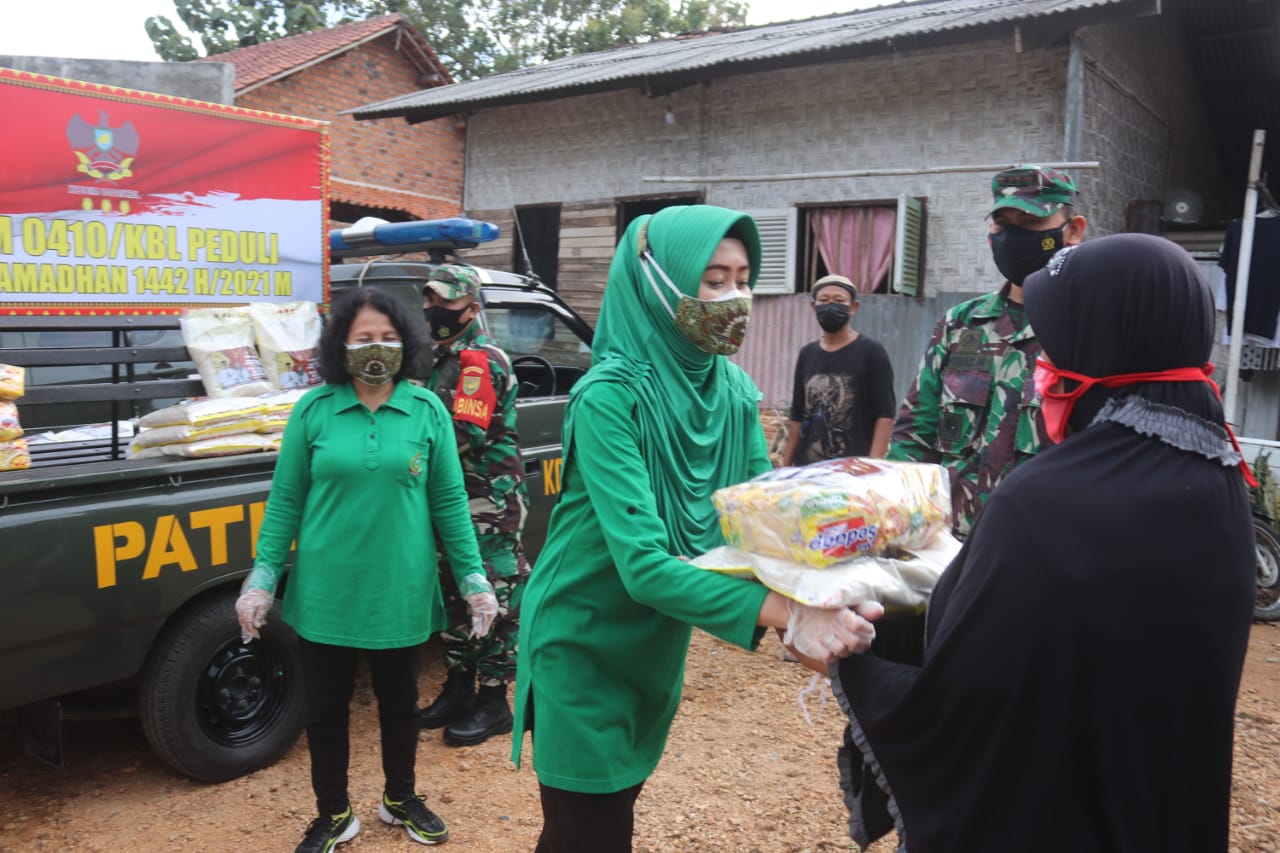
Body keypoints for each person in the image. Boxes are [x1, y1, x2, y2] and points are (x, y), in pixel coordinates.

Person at [833, 234, 1257, 852]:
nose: (1042, 366)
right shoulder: (1215, 480)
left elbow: (964, 712)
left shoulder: (1042, 504)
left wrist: (849, 661)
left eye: (1055, 345)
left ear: (1099, 347)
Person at [510, 204, 881, 852]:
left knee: (605, 810)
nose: (734, 297)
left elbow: (760, 530)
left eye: (742, 278)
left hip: (652, 643)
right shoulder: (608, 398)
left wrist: (836, 588)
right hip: (583, 640)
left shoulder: (733, 392)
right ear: (658, 283)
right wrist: (792, 620)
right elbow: (646, 565)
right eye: (712, 280)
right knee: (589, 828)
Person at [234, 287, 500, 853]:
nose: (375, 348)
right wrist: (262, 576)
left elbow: (450, 501)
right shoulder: (314, 409)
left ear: (406, 343)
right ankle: (334, 813)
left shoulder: (426, 409)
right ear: (341, 344)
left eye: (387, 337)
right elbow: (286, 500)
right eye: (363, 338)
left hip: (400, 590)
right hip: (326, 588)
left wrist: (475, 578)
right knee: (325, 709)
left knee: (399, 704)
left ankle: (399, 798)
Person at [888, 164, 1087, 538]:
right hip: (950, 547)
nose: (1012, 237)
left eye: (1029, 224)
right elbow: (913, 436)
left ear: (1072, 230)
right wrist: (899, 525)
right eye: (1002, 225)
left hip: (1042, 553)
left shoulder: (1088, 331)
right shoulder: (960, 325)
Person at [418, 264, 531, 747]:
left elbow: (466, 433)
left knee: (495, 599)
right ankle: (459, 687)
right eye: (429, 302)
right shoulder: (444, 356)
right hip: (454, 501)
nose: (433, 311)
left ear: (471, 307)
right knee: (454, 596)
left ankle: (493, 702)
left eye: (444, 303)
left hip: (487, 502)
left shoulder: (478, 362)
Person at [779, 273, 895, 465]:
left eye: (839, 300)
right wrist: (785, 468)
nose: (830, 305)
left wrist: (872, 467)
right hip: (807, 470)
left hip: (852, 471)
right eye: (824, 300)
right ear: (814, 306)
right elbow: (797, 417)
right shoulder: (807, 354)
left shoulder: (871, 351)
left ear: (853, 307)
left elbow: (885, 414)